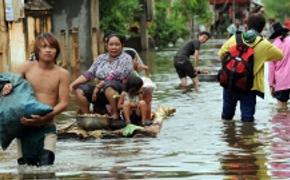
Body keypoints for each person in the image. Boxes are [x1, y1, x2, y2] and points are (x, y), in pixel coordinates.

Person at [15, 32, 70, 166]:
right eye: (44, 46)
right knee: (25, 168)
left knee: (46, 166)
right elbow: (12, 88)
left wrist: (45, 118)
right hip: (24, 127)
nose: (48, 50)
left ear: (56, 51)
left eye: (52, 47)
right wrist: (7, 87)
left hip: (47, 127)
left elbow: (64, 103)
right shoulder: (25, 68)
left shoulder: (62, 74)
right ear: (37, 50)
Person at [218, 14, 283, 122]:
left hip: (230, 83)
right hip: (249, 86)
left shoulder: (235, 37)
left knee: (226, 117)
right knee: (247, 120)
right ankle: (247, 138)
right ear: (262, 28)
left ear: (247, 25)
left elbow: (221, 54)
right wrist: (261, 57)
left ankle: (228, 137)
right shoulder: (264, 44)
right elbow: (280, 56)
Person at [69, 34, 133, 120]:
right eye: (111, 44)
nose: (114, 47)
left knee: (109, 86)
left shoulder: (126, 58)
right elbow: (89, 73)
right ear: (107, 46)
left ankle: (115, 114)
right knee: (79, 89)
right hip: (101, 91)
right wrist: (73, 84)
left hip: (119, 92)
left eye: (117, 44)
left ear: (122, 46)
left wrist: (98, 87)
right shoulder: (101, 58)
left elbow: (115, 75)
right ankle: (88, 116)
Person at [268, 22, 290, 111]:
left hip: (281, 81)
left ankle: (283, 124)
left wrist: (271, 85)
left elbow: (271, 69)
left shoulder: (272, 47)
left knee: (281, 108)